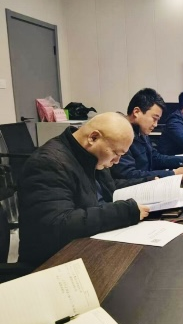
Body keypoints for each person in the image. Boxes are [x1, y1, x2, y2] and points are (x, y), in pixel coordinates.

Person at [18, 112, 151, 266]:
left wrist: (147, 183)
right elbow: (59, 225)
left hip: (91, 246)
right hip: (55, 262)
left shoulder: (90, 156)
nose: (117, 161)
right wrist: (125, 211)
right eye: (116, 153)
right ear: (93, 138)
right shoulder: (47, 163)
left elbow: (110, 188)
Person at [111, 88, 183, 180]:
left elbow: (155, 157)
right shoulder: (119, 135)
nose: (155, 124)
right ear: (136, 112)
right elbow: (128, 175)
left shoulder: (140, 132)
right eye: (154, 118)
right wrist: (173, 174)